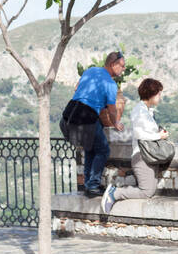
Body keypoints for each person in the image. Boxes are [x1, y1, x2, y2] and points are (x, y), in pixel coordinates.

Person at [62, 51, 125, 198]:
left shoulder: (91, 71)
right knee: (103, 150)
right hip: (86, 117)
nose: (123, 69)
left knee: (90, 148)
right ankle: (93, 185)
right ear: (113, 64)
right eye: (121, 66)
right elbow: (112, 108)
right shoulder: (110, 84)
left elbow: (77, 88)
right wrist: (115, 122)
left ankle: (88, 184)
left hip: (70, 112)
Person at [102, 77, 169, 211]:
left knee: (149, 189)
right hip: (142, 156)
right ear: (151, 94)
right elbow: (139, 134)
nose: (160, 97)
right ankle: (115, 193)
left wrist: (159, 131)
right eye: (158, 94)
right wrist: (159, 135)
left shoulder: (147, 111)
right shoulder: (139, 111)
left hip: (148, 156)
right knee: (147, 192)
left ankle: (117, 191)